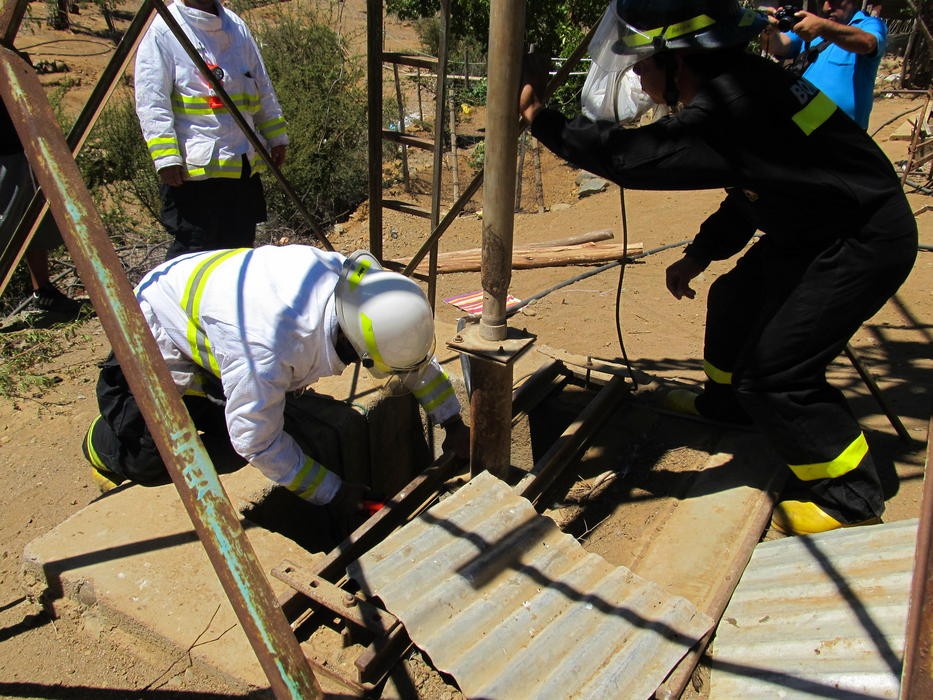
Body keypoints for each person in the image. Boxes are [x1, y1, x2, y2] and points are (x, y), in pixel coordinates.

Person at [519, 0, 917, 536]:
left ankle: (849, 496)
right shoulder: (746, 84)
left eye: (644, 63)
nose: (637, 73)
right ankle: (725, 406)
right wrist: (703, 252)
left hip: (860, 240)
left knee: (776, 374)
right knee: (732, 299)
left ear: (680, 62)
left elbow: (633, 159)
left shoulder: (733, 105)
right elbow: (754, 188)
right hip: (813, 226)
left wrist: (539, 118)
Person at [81, 245, 469, 519]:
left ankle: (200, 398)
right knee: (157, 457)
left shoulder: (357, 291)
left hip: (217, 316)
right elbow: (255, 440)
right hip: (156, 323)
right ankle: (107, 438)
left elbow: (407, 351)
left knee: (241, 437)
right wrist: (332, 492)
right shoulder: (268, 349)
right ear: (360, 352)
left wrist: (453, 422)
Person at [134, 0, 288, 260]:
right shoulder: (165, 30)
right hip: (194, 175)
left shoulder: (235, 27)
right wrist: (166, 158)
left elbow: (261, 85)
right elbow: (152, 101)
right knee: (193, 255)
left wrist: (276, 137)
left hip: (241, 168)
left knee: (238, 255)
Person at [1, 101, 80, 315]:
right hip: (6, 151)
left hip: (27, 142)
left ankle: (43, 291)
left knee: (37, 220)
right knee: (4, 224)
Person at [763, 1, 887, 129]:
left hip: (843, 135)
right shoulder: (812, 28)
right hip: (804, 127)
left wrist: (823, 27)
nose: (826, 7)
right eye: (823, 1)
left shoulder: (869, 24)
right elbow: (778, 45)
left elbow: (868, 43)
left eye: (833, 1)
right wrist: (769, 28)